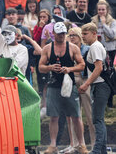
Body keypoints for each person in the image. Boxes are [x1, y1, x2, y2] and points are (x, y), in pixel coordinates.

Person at [38, 22, 88, 154]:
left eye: (63, 34)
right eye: (58, 34)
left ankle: (82, 145)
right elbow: (40, 67)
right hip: (53, 85)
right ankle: (53, 144)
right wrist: (50, 67)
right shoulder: (48, 48)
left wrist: (70, 69)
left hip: (69, 85)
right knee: (54, 117)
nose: (61, 36)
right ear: (53, 33)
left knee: (76, 116)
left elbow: (82, 65)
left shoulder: (72, 48)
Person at [79, 23, 111, 154]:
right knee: (99, 119)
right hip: (100, 85)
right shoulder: (95, 46)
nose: (83, 37)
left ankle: (97, 150)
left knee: (97, 119)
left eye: (85, 34)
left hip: (101, 84)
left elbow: (99, 68)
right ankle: (101, 150)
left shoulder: (95, 47)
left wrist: (86, 84)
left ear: (94, 33)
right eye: (82, 34)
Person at [66, 27, 95, 150]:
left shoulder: (87, 49)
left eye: (75, 35)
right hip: (71, 81)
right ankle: (76, 145)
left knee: (90, 115)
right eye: (70, 35)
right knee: (74, 115)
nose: (72, 37)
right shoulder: (66, 49)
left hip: (84, 79)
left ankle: (95, 145)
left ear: (80, 37)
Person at [92, 0, 116, 66]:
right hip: (98, 49)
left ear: (107, 10)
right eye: (99, 10)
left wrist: (104, 24)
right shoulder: (93, 21)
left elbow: (112, 35)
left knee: (111, 68)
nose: (101, 11)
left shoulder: (113, 21)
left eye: (103, 10)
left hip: (110, 50)